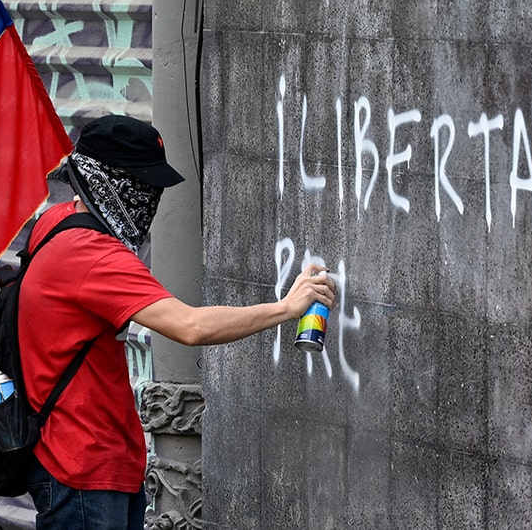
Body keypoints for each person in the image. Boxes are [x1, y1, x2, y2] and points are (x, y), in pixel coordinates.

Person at [18, 115, 334, 529]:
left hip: (87, 460)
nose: (150, 199)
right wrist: (287, 308)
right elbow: (190, 327)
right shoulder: (92, 255)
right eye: (141, 184)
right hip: (83, 472)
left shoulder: (56, 221)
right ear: (108, 181)